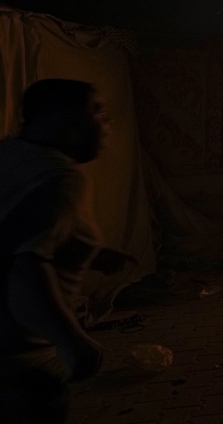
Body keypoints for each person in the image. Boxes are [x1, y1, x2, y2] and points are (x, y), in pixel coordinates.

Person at [0, 79, 130, 423]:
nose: (107, 125)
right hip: (15, 368)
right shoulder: (61, 177)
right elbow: (26, 267)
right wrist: (72, 340)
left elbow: (15, 231)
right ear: (65, 120)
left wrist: (86, 250)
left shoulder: (9, 154)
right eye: (97, 112)